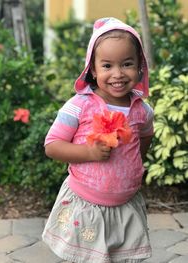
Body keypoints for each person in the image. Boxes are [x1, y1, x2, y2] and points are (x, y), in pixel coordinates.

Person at [42, 17, 154, 263]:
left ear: (139, 67)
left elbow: (145, 136)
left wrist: (134, 167)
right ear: (93, 69)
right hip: (87, 206)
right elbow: (52, 146)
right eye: (107, 66)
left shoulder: (141, 110)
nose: (118, 74)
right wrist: (89, 153)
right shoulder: (79, 106)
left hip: (126, 205)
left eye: (127, 64)